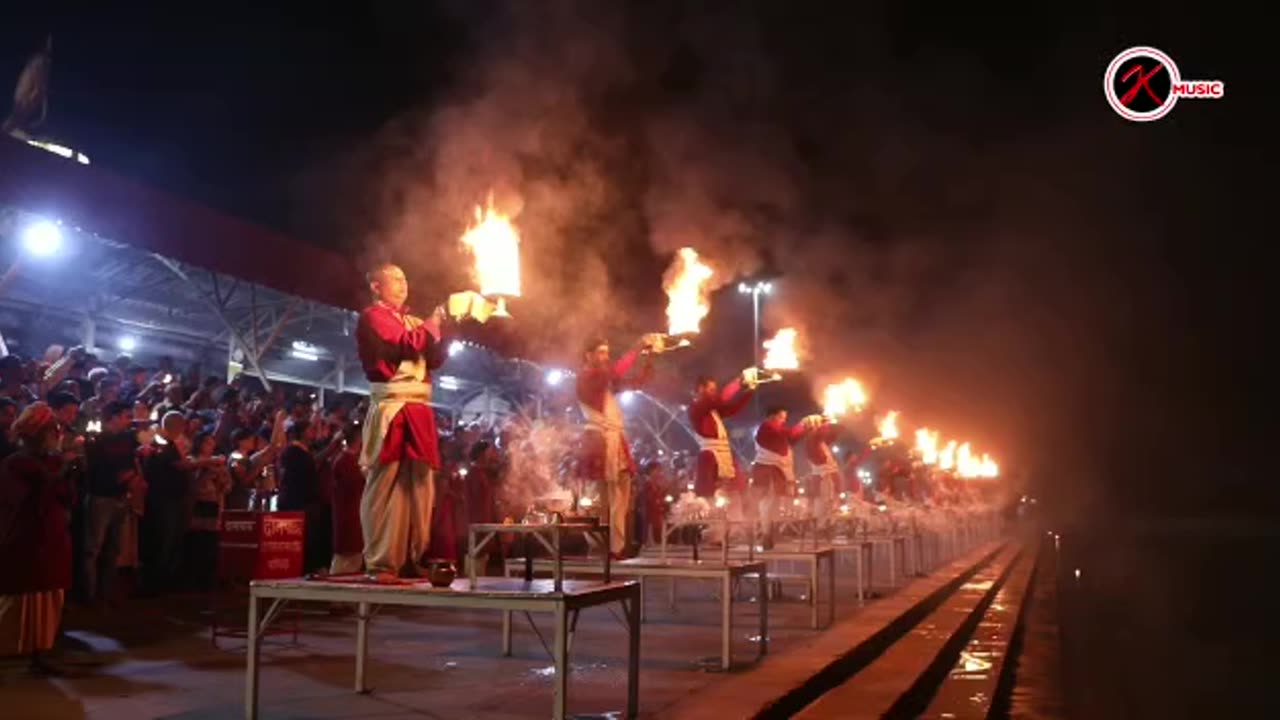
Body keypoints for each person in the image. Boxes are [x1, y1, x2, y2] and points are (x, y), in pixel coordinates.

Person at [355, 263, 450, 579]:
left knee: (420, 488)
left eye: (405, 279)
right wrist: (432, 324)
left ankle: (412, 555)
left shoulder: (412, 320)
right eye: (394, 279)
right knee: (386, 484)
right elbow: (402, 344)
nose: (402, 284)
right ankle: (381, 561)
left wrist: (446, 325)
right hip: (393, 406)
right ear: (376, 287)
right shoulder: (372, 316)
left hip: (419, 407)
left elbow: (434, 358)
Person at [0, 403, 72, 672]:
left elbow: (66, 497)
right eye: (52, 430)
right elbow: (25, 501)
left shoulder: (50, 461)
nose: (57, 434)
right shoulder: (15, 463)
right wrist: (58, 474)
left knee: (49, 599)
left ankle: (40, 654)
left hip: (52, 538)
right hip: (28, 540)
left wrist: (70, 473)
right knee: (25, 601)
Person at [575, 336, 653, 557]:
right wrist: (636, 348)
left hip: (615, 440)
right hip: (597, 441)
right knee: (596, 501)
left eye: (607, 353)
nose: (605, 357)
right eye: (601, 352)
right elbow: (616, 373)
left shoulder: (603, 378)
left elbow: (634, 383)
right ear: (588, 355)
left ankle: (615, 548)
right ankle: (598, 546)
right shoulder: (587, 377)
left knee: (620, 497)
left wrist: (647, 360)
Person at [81, 401, 139, 605]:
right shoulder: (97, 440)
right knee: (93, 547)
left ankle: (107, 591)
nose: (128, 420)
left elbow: (132, 462)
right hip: (101, 496)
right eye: (125, 416)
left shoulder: (127, 438)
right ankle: (89, 592)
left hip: (121, 497)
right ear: (113, 417)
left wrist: (132, 475)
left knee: (114, 547)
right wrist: (117, 477)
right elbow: (93, 468)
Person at [751, 406, 823, 548]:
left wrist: (808, 427)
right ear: (772, 416)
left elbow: (792, 438)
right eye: (781, 418)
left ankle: (769, 533)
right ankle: (765, 534)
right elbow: (789, 434)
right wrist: (804, 424)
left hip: (775, 470)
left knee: (775, 503)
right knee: (768, 502)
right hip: (766, 470)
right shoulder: (767, 427)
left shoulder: (775, 429)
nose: (783, 421)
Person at [688, 371, 756, 499]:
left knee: (735, 492)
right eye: (711, 389)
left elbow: (732, 408)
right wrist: (738, 382)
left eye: (715, 390)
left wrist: (749, 391)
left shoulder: (712, 407)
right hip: (709, 454)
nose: (714, 392)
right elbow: (721, 398)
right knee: (709, 494)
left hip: (723, 452)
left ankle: (737, 517)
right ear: (701, 389)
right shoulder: (696, 407)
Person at [330, 424, 365, 575]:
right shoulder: (346, 462)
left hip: (354, 516)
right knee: (345, 563)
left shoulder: (350, 460)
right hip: (349, 517)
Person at [804, 419, 842, 532]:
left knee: (829, 502)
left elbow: (834, 434)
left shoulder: (822, 443)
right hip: (821, 478)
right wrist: (824, 421)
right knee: (821, 503)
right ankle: (819, 527)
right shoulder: (811, 441)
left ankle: (826, 525)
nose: (826, 431)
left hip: (828, 478)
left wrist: (835, 423)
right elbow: (817, 434)